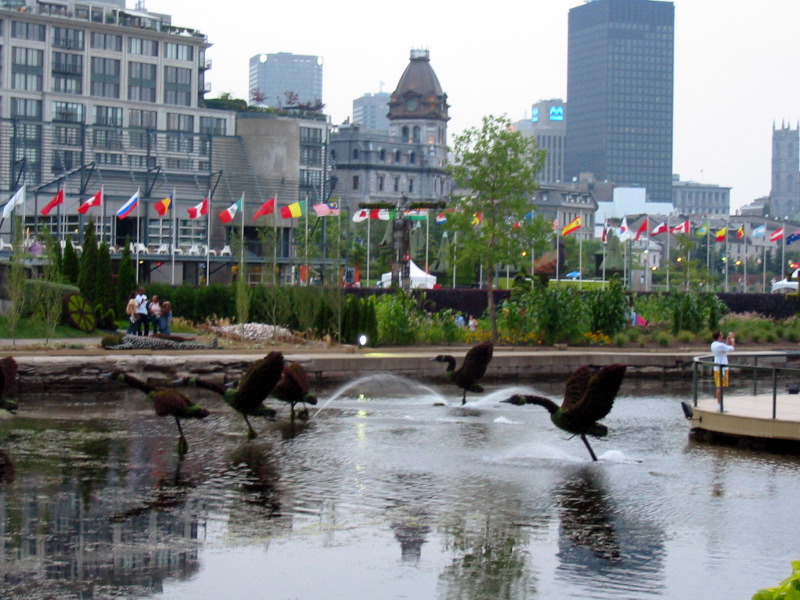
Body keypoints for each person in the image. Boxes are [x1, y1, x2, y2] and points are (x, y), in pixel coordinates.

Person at [711, 330, 735, 403]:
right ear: (719, 336)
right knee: (720, 387)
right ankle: (719, 404)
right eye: (721, 335)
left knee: (720, 386)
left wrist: (728, 339)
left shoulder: (714, 344)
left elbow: (726, 346)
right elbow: (732, 348)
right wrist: (732, 339)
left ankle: (719, 404)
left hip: (717, 367)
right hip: (721, 368)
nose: (722, 336)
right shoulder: (720, 345)